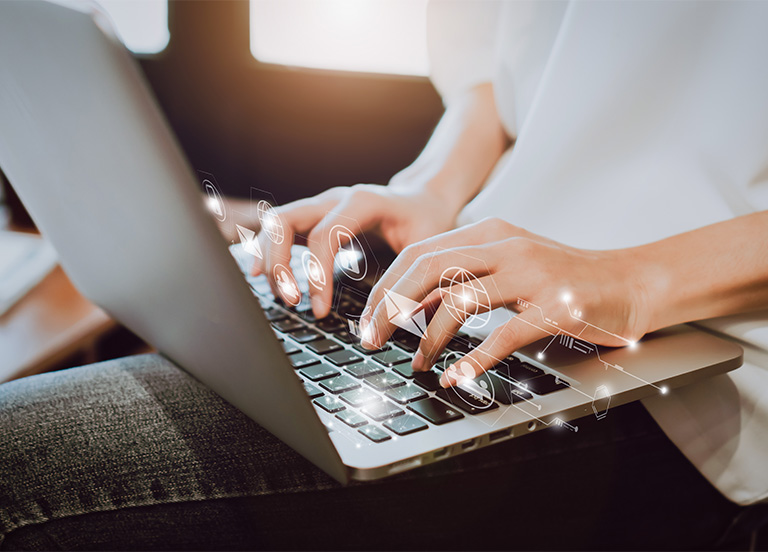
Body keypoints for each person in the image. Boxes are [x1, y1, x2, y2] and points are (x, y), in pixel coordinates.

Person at [1, 1, 767, 549]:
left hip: (698, 384)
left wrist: (634, 278)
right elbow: (503, 79)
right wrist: (432, 189)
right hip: (488, 288)